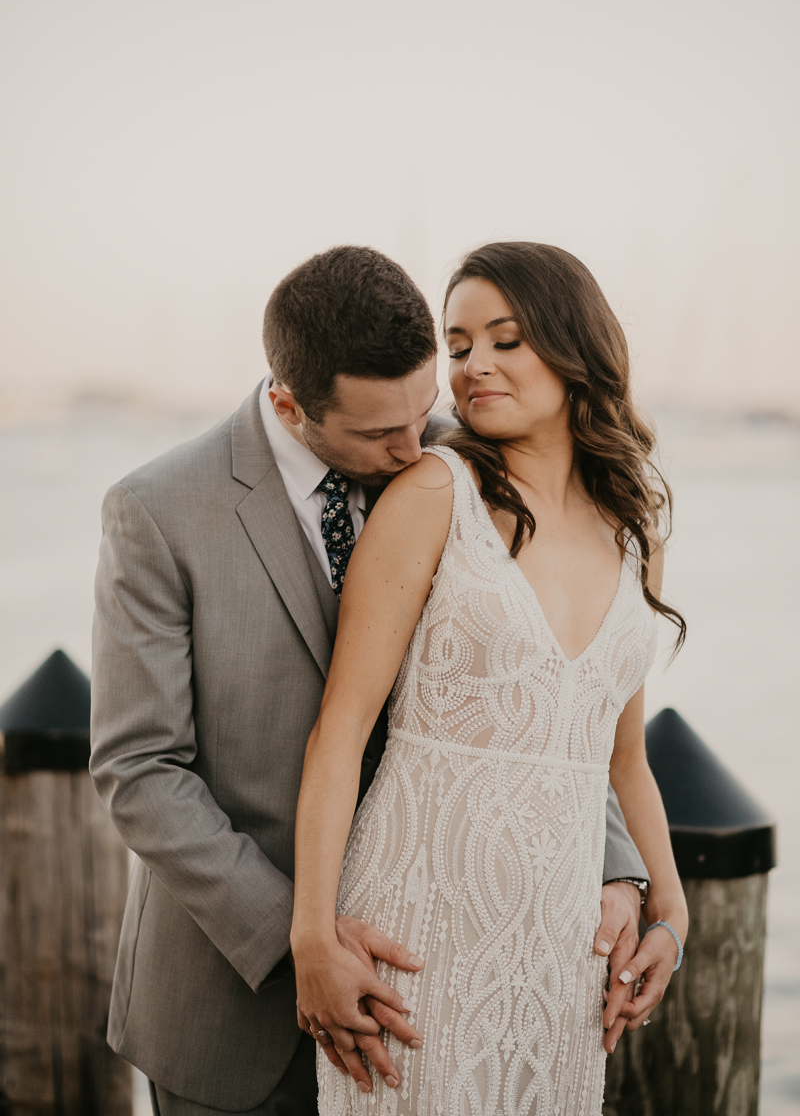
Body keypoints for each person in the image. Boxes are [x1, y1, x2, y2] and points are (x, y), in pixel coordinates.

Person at [90, 245, 655, 1115]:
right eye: (378, 433)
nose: (411, 446)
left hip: (431, 978)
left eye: (423, 413)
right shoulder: (160, 513)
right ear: (288, 402)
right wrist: (300, 938)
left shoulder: (456, 470)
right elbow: (139, 769)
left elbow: (541, 692)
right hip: (230, 998)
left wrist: (620, 870)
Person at [291, 243, 689, 1115]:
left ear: (573, 346)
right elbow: (342, 728)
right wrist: (311, 937)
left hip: (560, 947)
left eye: (505, 340)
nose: (475, 367)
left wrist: (671, 912)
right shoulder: (438, 493)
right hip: (416, 929)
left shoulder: (636, 535)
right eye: (461, 344)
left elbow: (624, 760)